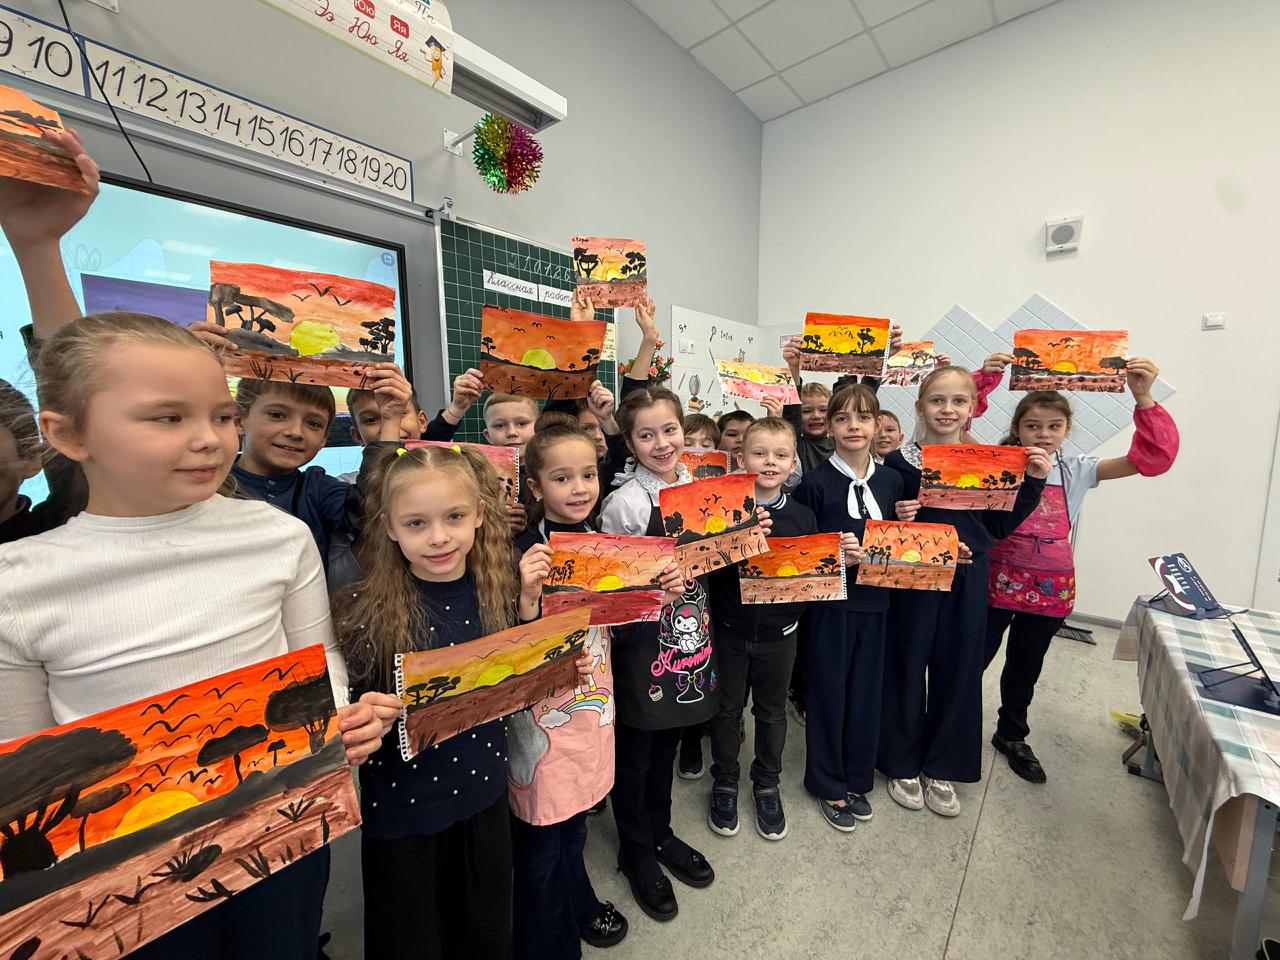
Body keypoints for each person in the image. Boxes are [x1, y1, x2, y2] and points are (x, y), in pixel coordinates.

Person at [0, 312, 398, 959]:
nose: (209, 439)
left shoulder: (277, 537)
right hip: (129, 879)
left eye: (221, 416)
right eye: (168, 417)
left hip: (281, 830)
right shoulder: (17, 583)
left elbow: (315, 655)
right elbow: (27, 767)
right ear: (67, 433)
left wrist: (336, 720)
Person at [333, 443, 520, 959]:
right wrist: (360, 719)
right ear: (390, 528)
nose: (438, 537)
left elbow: (515, 692)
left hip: (484, 796)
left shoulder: (499, 591)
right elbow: (347, 713)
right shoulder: (362, 610)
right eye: (416, 523)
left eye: (454, 517)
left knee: (485, 931)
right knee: (410, 939)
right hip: (404, 812)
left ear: (479, 515)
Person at [509, 423, 681, 957]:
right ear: (536, 486)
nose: (579, 487)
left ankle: (577, 900)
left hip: (593, 702)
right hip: (542, 713)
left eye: (588, 474)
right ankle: (547, 938)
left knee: (577, 817)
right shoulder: (521, 552)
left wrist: (658, 593)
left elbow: (622, 626)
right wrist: (527, 596)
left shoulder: (608, 546)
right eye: (562, 478)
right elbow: (503, 646)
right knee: (542, 829)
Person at [982, 363, 1178, 783]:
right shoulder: (995, 464)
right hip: (994, 581)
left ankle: (1011, 734)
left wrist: (1143, 398)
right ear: (1017, 428)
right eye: (1033, 426)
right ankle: (947, 727)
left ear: (1067, 430)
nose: (1043, 434)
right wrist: (984, 380)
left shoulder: (1079, 469)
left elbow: (1151, 460)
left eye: (1054, 426)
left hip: (1050, 587)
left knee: (1025, 667)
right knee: (971, 657)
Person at [879, 367, 1050, 817]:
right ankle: (901, 759)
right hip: (913, 577)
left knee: (958, 669)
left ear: (972, 407)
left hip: (968, 578)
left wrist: (1033, 481)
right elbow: (880, 528)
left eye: (958, 401)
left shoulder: (988, 463)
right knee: (906, 664)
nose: (947, 409)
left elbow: (998, 526)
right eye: (937, 400)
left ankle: (943, 764)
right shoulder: (896, 463)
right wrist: (901, 517)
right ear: (920, 406)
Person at [599, 386, 719, 923]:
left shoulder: (700, 488)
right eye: (646, 435)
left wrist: (744, 535)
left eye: (669, 430)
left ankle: (661, 831)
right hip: (641, 647)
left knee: (669, 740)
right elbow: (609, 592)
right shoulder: (624, 504)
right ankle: (635, 849)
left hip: (689, 637)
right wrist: (653, 588)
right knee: (636, 755)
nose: (662, 443)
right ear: (629, 442)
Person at [790, 383, 902, 830]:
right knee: (828, 694)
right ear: (829, 427)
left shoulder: (892, 482)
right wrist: (833, 553)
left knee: (866, 695)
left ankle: (857, 775)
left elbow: (903, 548)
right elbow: (799, 553)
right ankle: (826, 781)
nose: (853, 426)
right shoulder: (814, 484)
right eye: (842, 418)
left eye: (863, 417)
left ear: (877, 424)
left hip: (878, 604)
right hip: (830, 607)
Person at [705, 417, 817, 840]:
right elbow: (705, 568)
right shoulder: (723, 510)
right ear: (741, 458)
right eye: (759, 453)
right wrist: (738, 536)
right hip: (729, 632)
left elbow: (812, 576)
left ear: (793, 463)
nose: (770, 461)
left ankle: (766, 783)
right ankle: (725, 780)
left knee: (771, 713)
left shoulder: (803, 516)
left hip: (780, 637)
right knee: (726, 710)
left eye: (780, 455)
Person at [337, 365, 484, 480]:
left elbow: (435, 434)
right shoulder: (347, 485)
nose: (390, 424)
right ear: (357, 435)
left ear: (421, 422)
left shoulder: (444, 475)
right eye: (371, 420)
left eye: (400, 412)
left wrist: (458, 407)